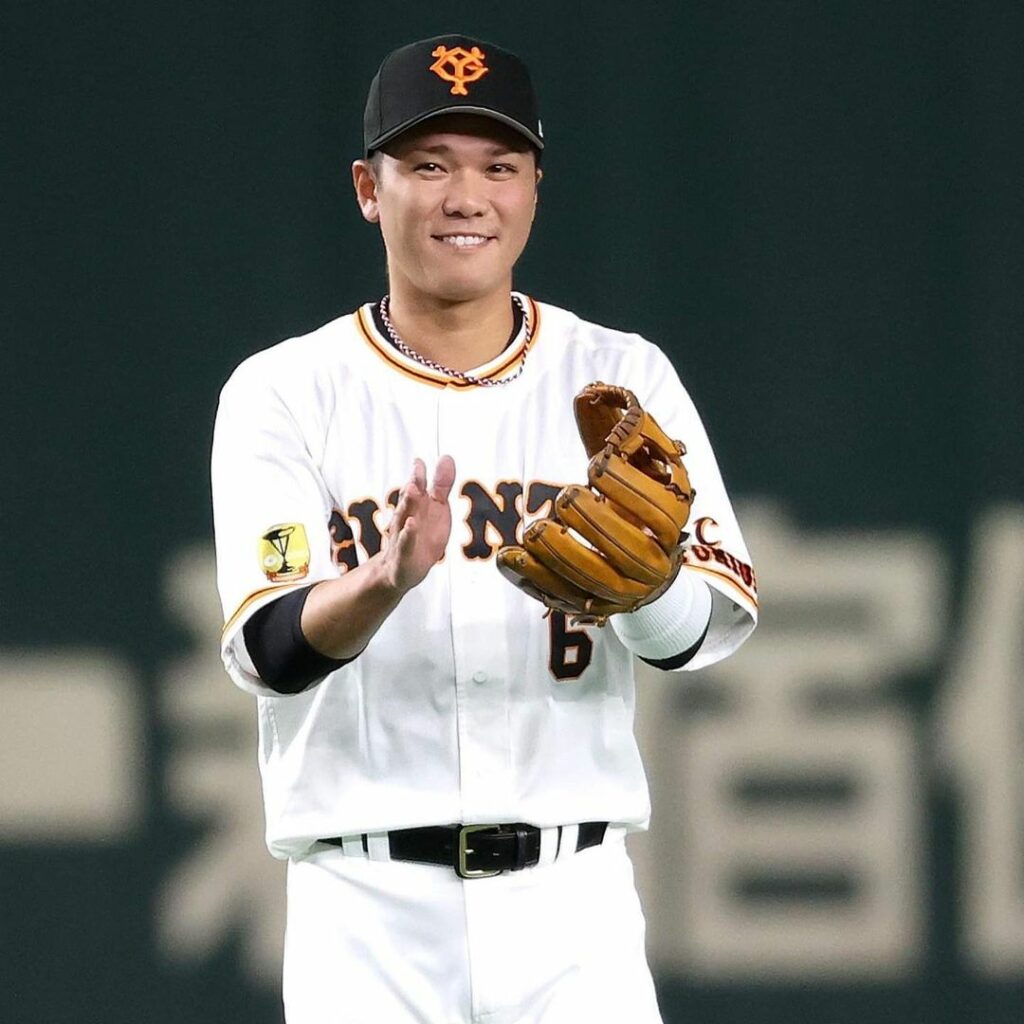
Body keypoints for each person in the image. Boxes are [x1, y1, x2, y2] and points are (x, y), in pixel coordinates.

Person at [211, 34, 758, 1024]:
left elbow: (697, 636)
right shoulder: (285, 389)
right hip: (364, 912)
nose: (467, 197)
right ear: (368, 189)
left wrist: (645, 589)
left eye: (498, 167)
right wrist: (377, 583)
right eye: (429, 165)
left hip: (572, 906)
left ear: (535, 189)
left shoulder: (622, 375)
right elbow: (270, 648)